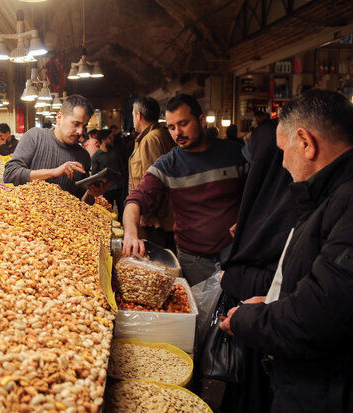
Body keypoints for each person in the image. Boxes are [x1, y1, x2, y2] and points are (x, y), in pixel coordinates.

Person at [220, 89, 353, 413]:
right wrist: (273, 302)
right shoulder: (327, 195)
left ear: (306, 142)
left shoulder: (346, 202)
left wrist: (245, 319)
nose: (281, 162)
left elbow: (313, 318)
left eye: (283, 149)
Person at [214, 117, 295, 413]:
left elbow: (282, 281)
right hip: (257, 326)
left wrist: (233, 277)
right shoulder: (273, 196)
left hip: (270, 335)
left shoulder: (296, 205)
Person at [123, 94, 247, 286]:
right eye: (171, 127)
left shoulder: (234, 154)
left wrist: (249, 220)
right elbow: (135, 200)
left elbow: (261, 193)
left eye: (183, 124)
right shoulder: (168, 164)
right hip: (194, 262)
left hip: (236, 255)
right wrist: (131, 233)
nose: (177, 133)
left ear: (201, 121)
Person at [3, 94, 106, 202]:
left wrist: (91, 193)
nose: (80, 131)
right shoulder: (35, 137)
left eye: (84, 126)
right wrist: (53, 172)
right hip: (26, 215)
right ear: (59, 118)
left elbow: (81, 204)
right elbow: (10, 174)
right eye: (76, 124)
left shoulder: (83, 156)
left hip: (63, 218)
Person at [127, 96, 176, 250]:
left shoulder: (151, 139)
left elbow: (154, 181)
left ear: (138, 115)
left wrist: (145, 217)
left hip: (154, 222)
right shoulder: (158, 134)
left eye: (133, 115)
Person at [91, 129, 125, 221]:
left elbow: (122, 169)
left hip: (119, 187)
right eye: (110, 138)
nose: (112, 140)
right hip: (107, 189)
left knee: (122, 211)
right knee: (108, 214)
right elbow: (94, 176)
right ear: (104, 140)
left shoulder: (116, 152)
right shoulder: (96, 157)